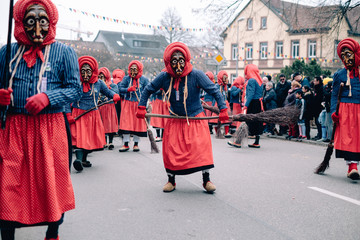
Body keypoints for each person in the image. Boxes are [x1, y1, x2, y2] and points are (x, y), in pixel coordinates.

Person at [0, 0, 82, 239]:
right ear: (20, 23)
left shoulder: (64, 53)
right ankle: (7, 233)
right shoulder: (6, 52)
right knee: (9, 182)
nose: (37, 29)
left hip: (51, 129)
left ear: (51, 22)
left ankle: (53, 231)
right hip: (14, 128)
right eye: (30, 21)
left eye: (43, 21)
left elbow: (75, 89)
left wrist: (48, 97)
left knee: (51, 182)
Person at [136, 42, 229, 193]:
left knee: (201, 147)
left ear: (186, 61)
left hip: (195, 117)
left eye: (181, 62)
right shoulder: (164, 76)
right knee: (171, 149)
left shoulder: (197, 75)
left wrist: (223, 108)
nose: (178, 66)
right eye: (174, 62)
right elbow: (148, 89)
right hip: (175, 118)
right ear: (169, 63)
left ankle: (206, 180)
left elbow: (214, 90)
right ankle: (171, 180)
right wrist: (141, 106)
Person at [71, 56, 120, 172]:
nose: (85, 75)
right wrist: (68, 114)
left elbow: (108, 92)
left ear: (93, 71)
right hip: (78, 114)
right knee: (79, 137)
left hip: (93, 115)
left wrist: (114, 95)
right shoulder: (75, 83)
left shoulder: (98, 83)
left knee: (89, 138)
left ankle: (84, 159)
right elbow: (68, 98)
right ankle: (78, 159)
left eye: (88, 71)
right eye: (83, 72)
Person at [331, 38, 360, 180]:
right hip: (345, 111)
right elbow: (333, 96)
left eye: (348, 54)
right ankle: (352, 166)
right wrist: (333, 112)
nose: (346, 59)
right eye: (343, 56)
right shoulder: (339, 75)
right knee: (349, 138)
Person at [118, 60, 149, 152]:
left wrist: (143, 100)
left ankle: (136, 144)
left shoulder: (144, 80)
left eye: (135, 69)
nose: (133, 71)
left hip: (138, 104)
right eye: (131, 69)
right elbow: (120, 89)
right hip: (128, 103)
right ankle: (126, 144)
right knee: (126, 123)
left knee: (137, 124)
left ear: (139, 69)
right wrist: (128, 89)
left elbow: (148, 91)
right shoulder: (126, 79)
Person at [98, 67, 119, 150]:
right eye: (99, 76)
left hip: (110, 107)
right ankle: (104, 142)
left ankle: (110, 142)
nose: (101, 78)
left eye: (102, 76)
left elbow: (116, 93)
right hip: (101, 106)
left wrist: (108, 88)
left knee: (110, 124)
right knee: (102, 124)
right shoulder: (97, 84)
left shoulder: (113, 85)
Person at [243, 64, 263, 148]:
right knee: (257, 122)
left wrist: (245, 105)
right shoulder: (260, 80)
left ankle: (239, 141)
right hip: (258, 103)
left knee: (247, 122)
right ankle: (256, 142)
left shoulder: (251, 80)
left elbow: (250, 94)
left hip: (252, 103)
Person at [209, 70, 232, 138]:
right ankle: (218, 132)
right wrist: (213, 105)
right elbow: (214, 96)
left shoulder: (226, 86)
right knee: (216, 119)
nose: (226, 80)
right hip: (217, 103)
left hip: (225, 103)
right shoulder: (216, 86)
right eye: (224, 78)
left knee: (226, 118)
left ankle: (226, 132)